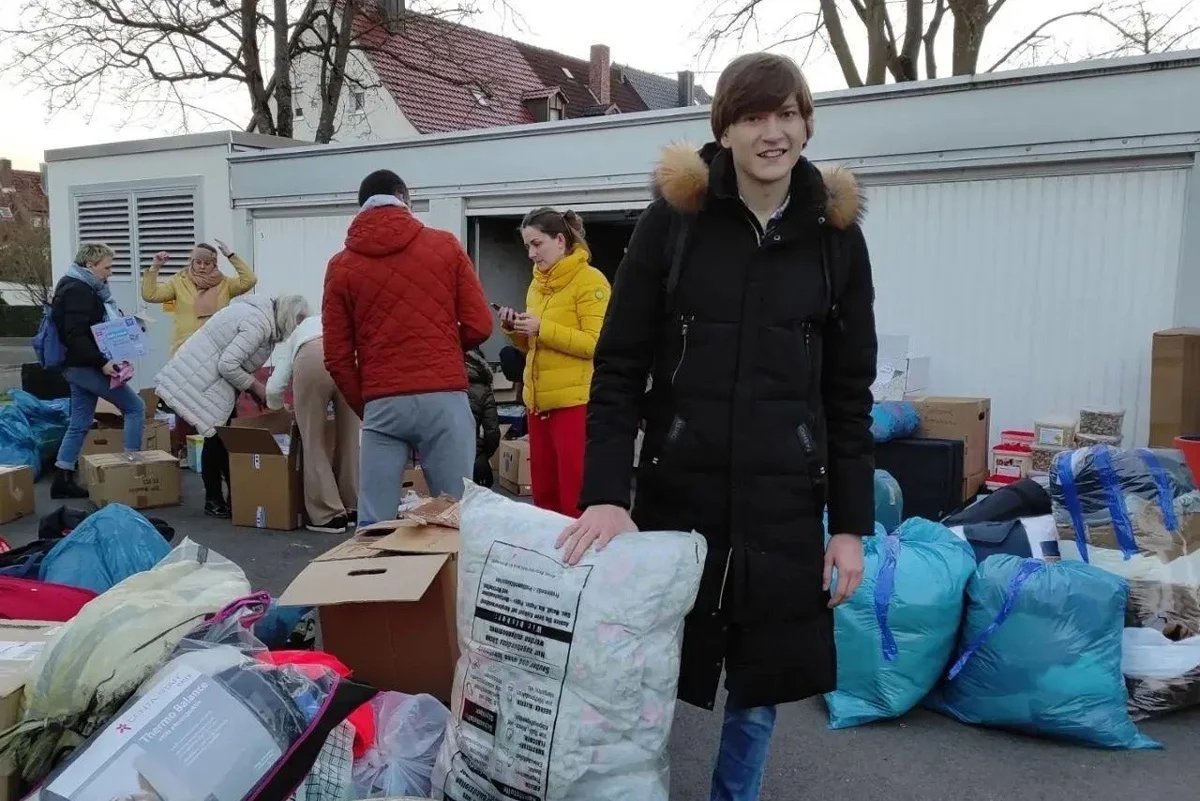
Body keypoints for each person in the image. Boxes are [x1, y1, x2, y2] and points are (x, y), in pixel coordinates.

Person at [557, 53, 877, 800]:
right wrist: (606, 491)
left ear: (807, 122)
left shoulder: (835, 238)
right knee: (650, 669)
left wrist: (851, 526)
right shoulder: (675, 223)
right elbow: (618, 367)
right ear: (724, 129)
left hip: (784, 503)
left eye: (788, 114)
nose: (774, 132)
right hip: (679, 496)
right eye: (754, 117)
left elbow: (848, 394)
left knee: (759, 686)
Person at [323, 169, 492, 525]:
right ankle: (451, 579)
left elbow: (337, 357)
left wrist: (368, 403)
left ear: (360, 209)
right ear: (405, 198)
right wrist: (442, 349)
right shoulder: (445, 246)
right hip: (444, 397)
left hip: (383, 401)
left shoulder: (341, 266)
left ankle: (374, 579)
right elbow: (480, 324)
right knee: (457, 513)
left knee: (374, 522)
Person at [156, 294, 310, 518]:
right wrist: (256, 387)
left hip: (205, 379)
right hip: (204, 382)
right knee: (216, 438)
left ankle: (234, 497)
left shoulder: (258, 316)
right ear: (288, 317)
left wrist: (251, 388)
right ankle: (216, 500)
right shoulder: (257, 324)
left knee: (222, 437)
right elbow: (227, 365)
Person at [498, 208, 610, 516]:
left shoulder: (590, 281)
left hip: (574, 404)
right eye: (527, 247)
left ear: (560, 240)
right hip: (539, 404)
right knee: (543, 500)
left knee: (573, 499)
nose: (532, 254)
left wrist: (541, 329)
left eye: (537, 244)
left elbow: (595, 344)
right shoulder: (537, 284)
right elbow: (536, 343)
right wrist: (515, 330)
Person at [48, 243, 146, 499]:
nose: (110, 273)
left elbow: (84, 329)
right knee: (135, 407)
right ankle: (131, 468)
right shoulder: (80, 290)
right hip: (85, 364)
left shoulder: (76, 285)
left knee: (79, 422)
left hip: (77, 365)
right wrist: (102, 362)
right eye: (107, 267)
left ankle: (63, 476)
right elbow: (76, 333)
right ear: (90, 265)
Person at [265, 312, 360, 533]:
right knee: (350, 437)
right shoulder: (332, 319)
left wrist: (277, 407)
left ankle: (329, 515)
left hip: (311, 360)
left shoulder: (297, 334)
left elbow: (274, 387)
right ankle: (353, 506)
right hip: (349, 356)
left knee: (313, 440)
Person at [140, 240, 258, 355]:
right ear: (192, 262)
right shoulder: (179, 281)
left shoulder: (225, 284)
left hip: (215, 347)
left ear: (214, 264)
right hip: (184, 348)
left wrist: (231, 256)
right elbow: (151, 295)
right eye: (198, 262)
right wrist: (155, 267)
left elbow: (250, 280)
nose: (202, 266)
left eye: (207, 263)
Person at [465, 347, 500, 488]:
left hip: (444, 451)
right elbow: (492, 432)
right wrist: (483, 454)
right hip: (474, 453)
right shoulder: (484, 389)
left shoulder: (447, 383)